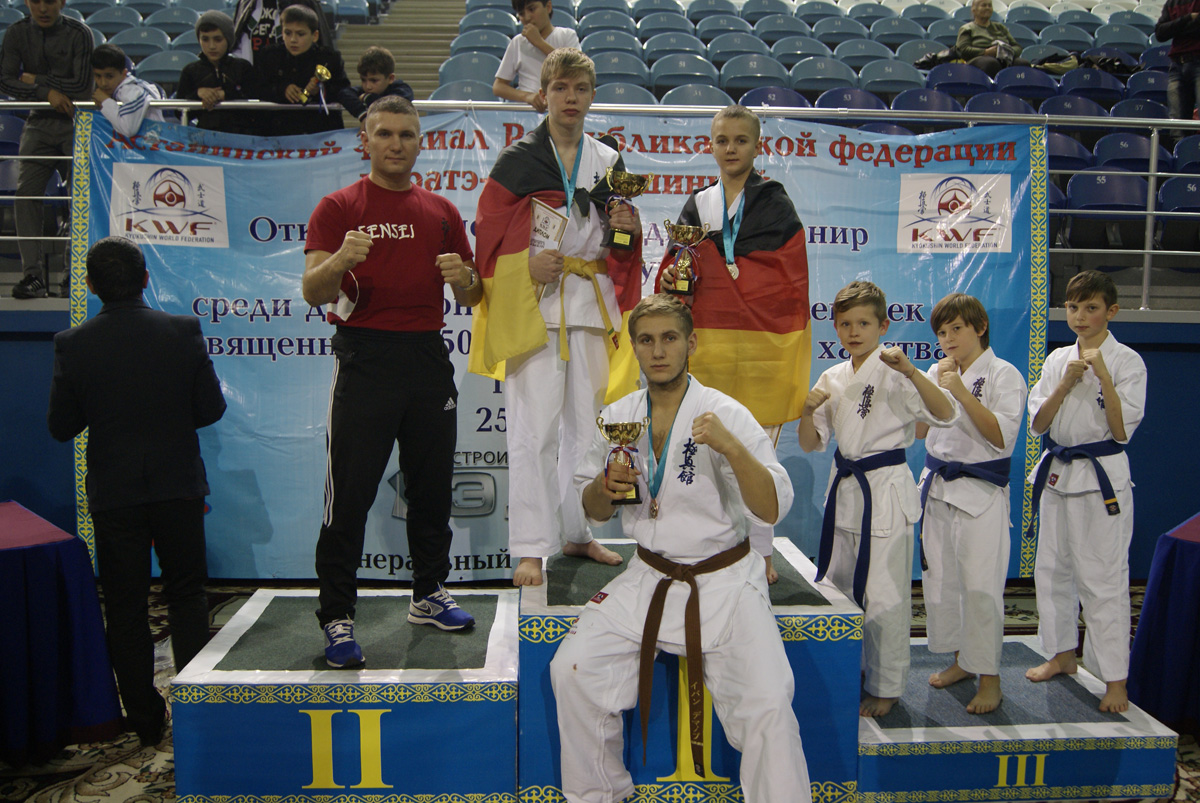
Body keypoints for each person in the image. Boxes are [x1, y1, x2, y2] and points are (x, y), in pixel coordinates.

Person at [551, 294, 811, 803]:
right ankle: (598, 794)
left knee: (769, 703)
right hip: (649, 575)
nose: (658, 351)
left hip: (725, 580)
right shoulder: (619, 416)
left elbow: (772, 508)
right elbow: (594, 511)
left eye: (669, 338)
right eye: (646, 340)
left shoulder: (727, 413)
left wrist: (731, 447)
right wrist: (605, 487)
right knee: (573, 670)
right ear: (634, 347)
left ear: (691, 343)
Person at [302, 96, 483, 669]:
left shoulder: (442, 210)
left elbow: (473, 294)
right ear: (365, 140)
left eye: (406, 134)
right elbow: (313, 291)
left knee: (432, 489)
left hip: (427, 356)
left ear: (420, 142)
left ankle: (428, 593)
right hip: (365, 357)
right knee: (349, 496)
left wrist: (465, 276)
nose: (396, 143)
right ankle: (336, 615)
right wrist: (339, 261)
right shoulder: (338, 206)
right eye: (384, 133)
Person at [470, 48, 644, 587]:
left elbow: (621, 242)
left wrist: (629, 229)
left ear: (592, 96)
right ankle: (530, 546)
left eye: (580, 89)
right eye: (561, 88)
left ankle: (577, 530)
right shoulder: (519, 159)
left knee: (588, 430)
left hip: (591, 305)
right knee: (533, 430)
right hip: (536, 306)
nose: (571, 98)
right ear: (542, 94)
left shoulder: (609, 160)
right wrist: (523, 265)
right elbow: (487, 234)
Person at [46, 236, 227, 746]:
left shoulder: (72, 343)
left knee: (125, 607)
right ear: (146, 278)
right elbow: (211, 408)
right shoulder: (183, 331)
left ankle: (145, 720)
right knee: (187, 596)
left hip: (116, 491)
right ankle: (196, 714)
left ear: (89, 285)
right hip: (178, 485)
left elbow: (61, 426)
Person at [657, 103, 810, 584]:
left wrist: (739, 283)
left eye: (740, 140)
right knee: (708, 454)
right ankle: (710, 544)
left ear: (757, 146)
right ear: (710, 145)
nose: (730, 149)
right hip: (711, 347)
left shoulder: (776, 203)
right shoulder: (698, 205)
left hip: (762, 351)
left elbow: (789, 279)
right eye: (722, 140)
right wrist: (678, 278)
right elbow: (675, 270)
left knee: (756, 454)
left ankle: (761, 551)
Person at [797, 280, 957, 718]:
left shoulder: (897, 370)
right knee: (840, 589)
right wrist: (806, 412)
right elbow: (810, 443)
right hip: (846, 491)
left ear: (883, 326)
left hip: (885, 492)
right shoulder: (832, 377)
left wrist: (912, 372)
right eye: (845, 324)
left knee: (885, 597)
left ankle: (886, 688)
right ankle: (848, 674)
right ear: (835, 327)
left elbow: (945, 414)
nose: (854, 332)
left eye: (864, 323)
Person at [1024, 270, 1146, 713]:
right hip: (1059, 472)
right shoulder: (1058, 359)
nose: (1079, 316)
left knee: (1103, 579)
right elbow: (1039, 424)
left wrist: (1104, 377)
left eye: (1091, 308)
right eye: (1073, 307)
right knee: (1051, 570)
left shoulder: (1129, 362)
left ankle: (1115, 679)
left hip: (1101, 480)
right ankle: (1061, 654)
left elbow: (1121, 431)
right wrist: (1064, 383)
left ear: (1111, 312)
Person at [915, 294, 1026, 715]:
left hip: (981, 492)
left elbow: (1000, 437)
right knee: (942, 583)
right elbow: (921, 431)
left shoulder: (1004, 374)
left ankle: (990, 678)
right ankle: (962, 660)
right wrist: (920, 385)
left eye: (956, 329)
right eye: (942, 333)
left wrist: (960, 391)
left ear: (980, 327)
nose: (948, 339)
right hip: (938, 488)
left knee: (981, 589)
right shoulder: (937, 371)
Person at [0, 0, 93, 299]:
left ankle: (73, 274)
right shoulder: (16, 33)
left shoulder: (80, 33)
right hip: (38, 122)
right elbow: (5, 81)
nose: (42, 8)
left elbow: (82, 87)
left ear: (62, 2)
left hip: (76, 120)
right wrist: (47, 92)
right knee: (26, 195)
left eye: (49, 1)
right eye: (36, 1)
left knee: (81, 197)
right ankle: (33, 276)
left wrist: (35, 79)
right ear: (27, 2)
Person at [256, 3, 355, 135]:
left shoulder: (330, 58)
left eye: (300, 34)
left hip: (320, 131)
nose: (293, 40)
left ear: (315, 36)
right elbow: (256, 89)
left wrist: (320, 91)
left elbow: (343, 90)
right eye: (287, 33)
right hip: (278, 132)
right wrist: (282, 89)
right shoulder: (269, 56)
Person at [175, 11, 262, 135]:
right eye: (205, 39)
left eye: (218, 39)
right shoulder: (190, 71)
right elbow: (178, 112)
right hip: (205, 137)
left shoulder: (243, 67)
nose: (211, 46)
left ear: (228, 39)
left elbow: (256, 106)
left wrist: (225, 95)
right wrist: (198, 94)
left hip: (241, 136)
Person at [492, 0, 578, 111]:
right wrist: (527, 96)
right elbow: (498, 87)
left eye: (532, 9)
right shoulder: (518, 42)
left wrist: (539, 42)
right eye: (521, 14)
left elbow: (577, 71)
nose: (527, 18)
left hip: (564, 109)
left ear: (548, 7)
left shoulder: (567, 35)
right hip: (528, 112)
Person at [91, 44, 165, 139]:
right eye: (98, 76)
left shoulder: (132, 91)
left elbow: (127, 130)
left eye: (109, 76)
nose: (103, 83)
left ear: (124, 73)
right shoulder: (122, 89)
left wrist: (105, 101)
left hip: (153, 143)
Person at [1154, 0, 1200, 143]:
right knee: (1177, 128)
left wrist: (1175, 28)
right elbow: (1160, 33)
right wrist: (1187, 18)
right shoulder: (1172, 3)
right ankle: (1181, 155)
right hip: (1177, 65)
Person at [231, 0, 332, 65]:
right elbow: (237, 41)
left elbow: (322, 42)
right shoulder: (246, 2)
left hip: (290, 79)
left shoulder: (305, 2)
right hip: (253, 79)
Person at [955, 0, 1027, 77]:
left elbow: (1017, 47)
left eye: (990, 5)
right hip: (979, 59)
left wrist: (1007, 52)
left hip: (1005, 58)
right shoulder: (967, 28)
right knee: (991, 63)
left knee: (1022, 63)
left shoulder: (1000, 27)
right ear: (974, 10)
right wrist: (986, 52)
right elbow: (963, 50)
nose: (987, 8)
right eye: (984, 5)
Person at [342, 46, 413, 123]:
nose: (368, 86)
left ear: (390, 78)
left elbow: (389, 105)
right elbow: (344, 93)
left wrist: (366, 97)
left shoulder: (403, 90)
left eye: (374, 80)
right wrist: (363, 115)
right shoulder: (366, 90)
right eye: (363, 80)